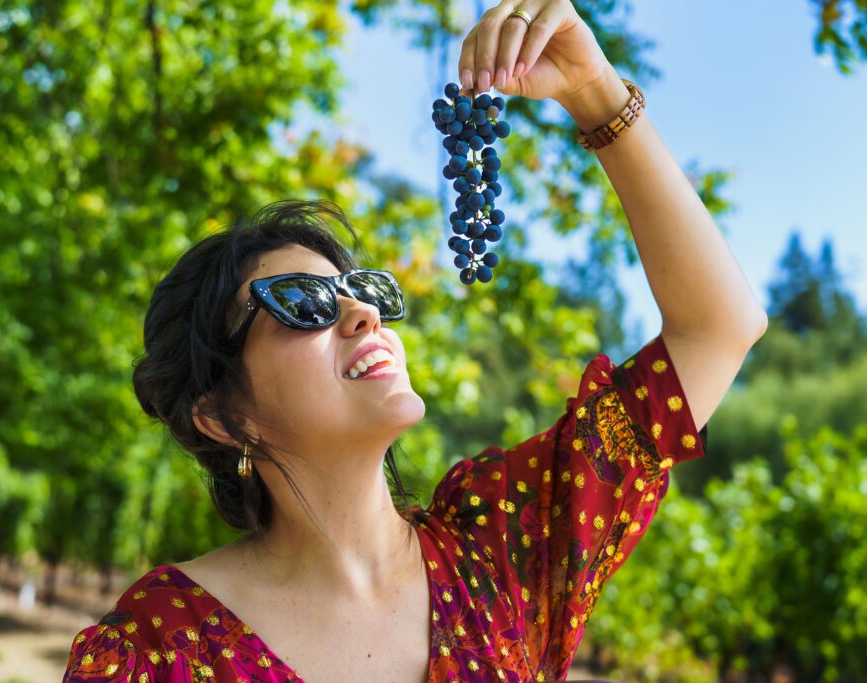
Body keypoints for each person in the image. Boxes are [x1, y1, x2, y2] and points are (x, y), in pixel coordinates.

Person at [62, 1, 768, 681]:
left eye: (365, 292)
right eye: (302, 305)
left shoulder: (499, 550)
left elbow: (720, 327)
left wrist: (595, 94)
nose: (363, 316)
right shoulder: (160, 647)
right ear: (221, 414)